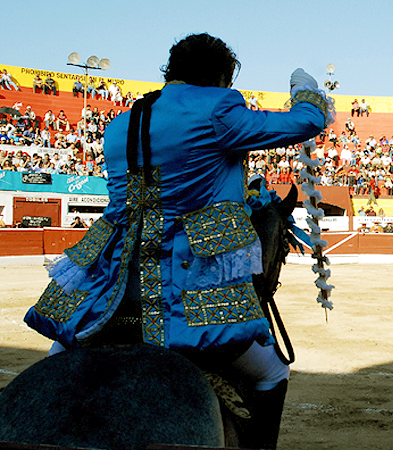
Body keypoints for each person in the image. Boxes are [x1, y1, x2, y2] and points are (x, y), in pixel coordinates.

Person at [24, 33, 333, 450]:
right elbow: (306, 123)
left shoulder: (120, 124)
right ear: (223, 77)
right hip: (187, 291)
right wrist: (306, 92)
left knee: (58, 361)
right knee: (271, 372)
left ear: (171, 71)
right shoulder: (219, 108)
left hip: (110, 290)